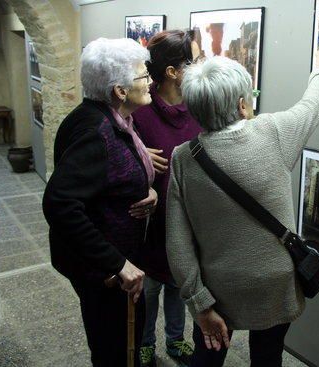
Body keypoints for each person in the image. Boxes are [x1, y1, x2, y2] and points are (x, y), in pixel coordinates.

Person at [165, 43, 319, 366]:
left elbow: (177, 242)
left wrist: (200, 304)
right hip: (275, 282)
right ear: (243, 105)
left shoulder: (183, 159)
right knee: (268, 357)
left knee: (208, 354)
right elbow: (312, 105)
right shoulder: (273, 131)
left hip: (218, 287)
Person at [43, 38, 157, 367]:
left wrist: (147, 192)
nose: (149, 81)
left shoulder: (112, 120)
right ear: (120, 91)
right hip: (104, 273)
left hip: (111, 264)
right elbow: (60, 203)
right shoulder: (96, 131)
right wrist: (116, 263)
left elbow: (113, 178)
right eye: (142, 76)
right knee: (115, 350)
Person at [132, 30, 202, 367]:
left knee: (179, 284)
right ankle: (144, 343)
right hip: (148, 220)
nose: (199, 67)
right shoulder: (140, 109)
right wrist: (136, 150)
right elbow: (111, 143)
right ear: (172, 71)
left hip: (185, 217)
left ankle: (175, 340)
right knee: (147, 291)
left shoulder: (197, 106)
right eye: (194, 61)